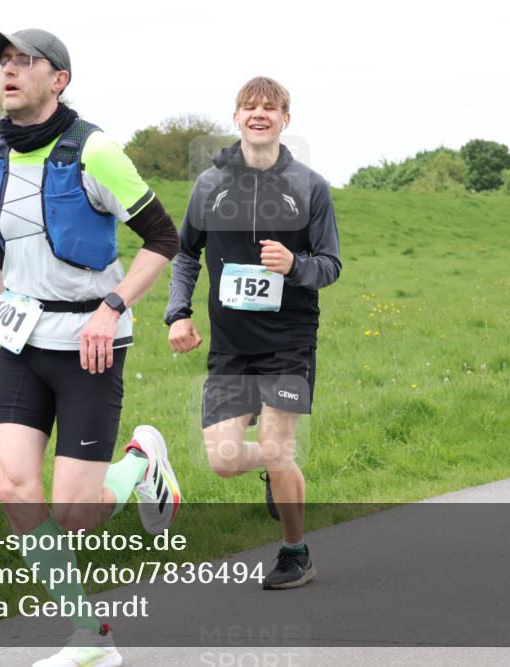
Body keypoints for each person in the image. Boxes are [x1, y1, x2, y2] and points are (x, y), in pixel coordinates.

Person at [0, 28, 181, 667]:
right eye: (3, 63)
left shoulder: (94, 150)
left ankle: (142, 463)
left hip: (89, 344)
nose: (9, 72)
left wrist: (112, 308)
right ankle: (90, 638)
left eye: (25, 62)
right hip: (20, 340)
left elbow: (164, 237)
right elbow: (1, 249)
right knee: (16, 491)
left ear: (59, 80)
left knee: (75, 513)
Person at [165, 76, 341, 590]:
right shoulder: (209, 186)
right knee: (221, 461)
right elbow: (184, 254)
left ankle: (295, 552)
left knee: (279, 447)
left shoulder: (310, 187)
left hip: (288, 344)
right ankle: (276, 471)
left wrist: (294, 265)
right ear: (236, 117)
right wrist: (178, 313)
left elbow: (330, 264)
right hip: (231, 347)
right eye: (249, 106)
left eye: (270, 107)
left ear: (287, 119)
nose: (258, 113)